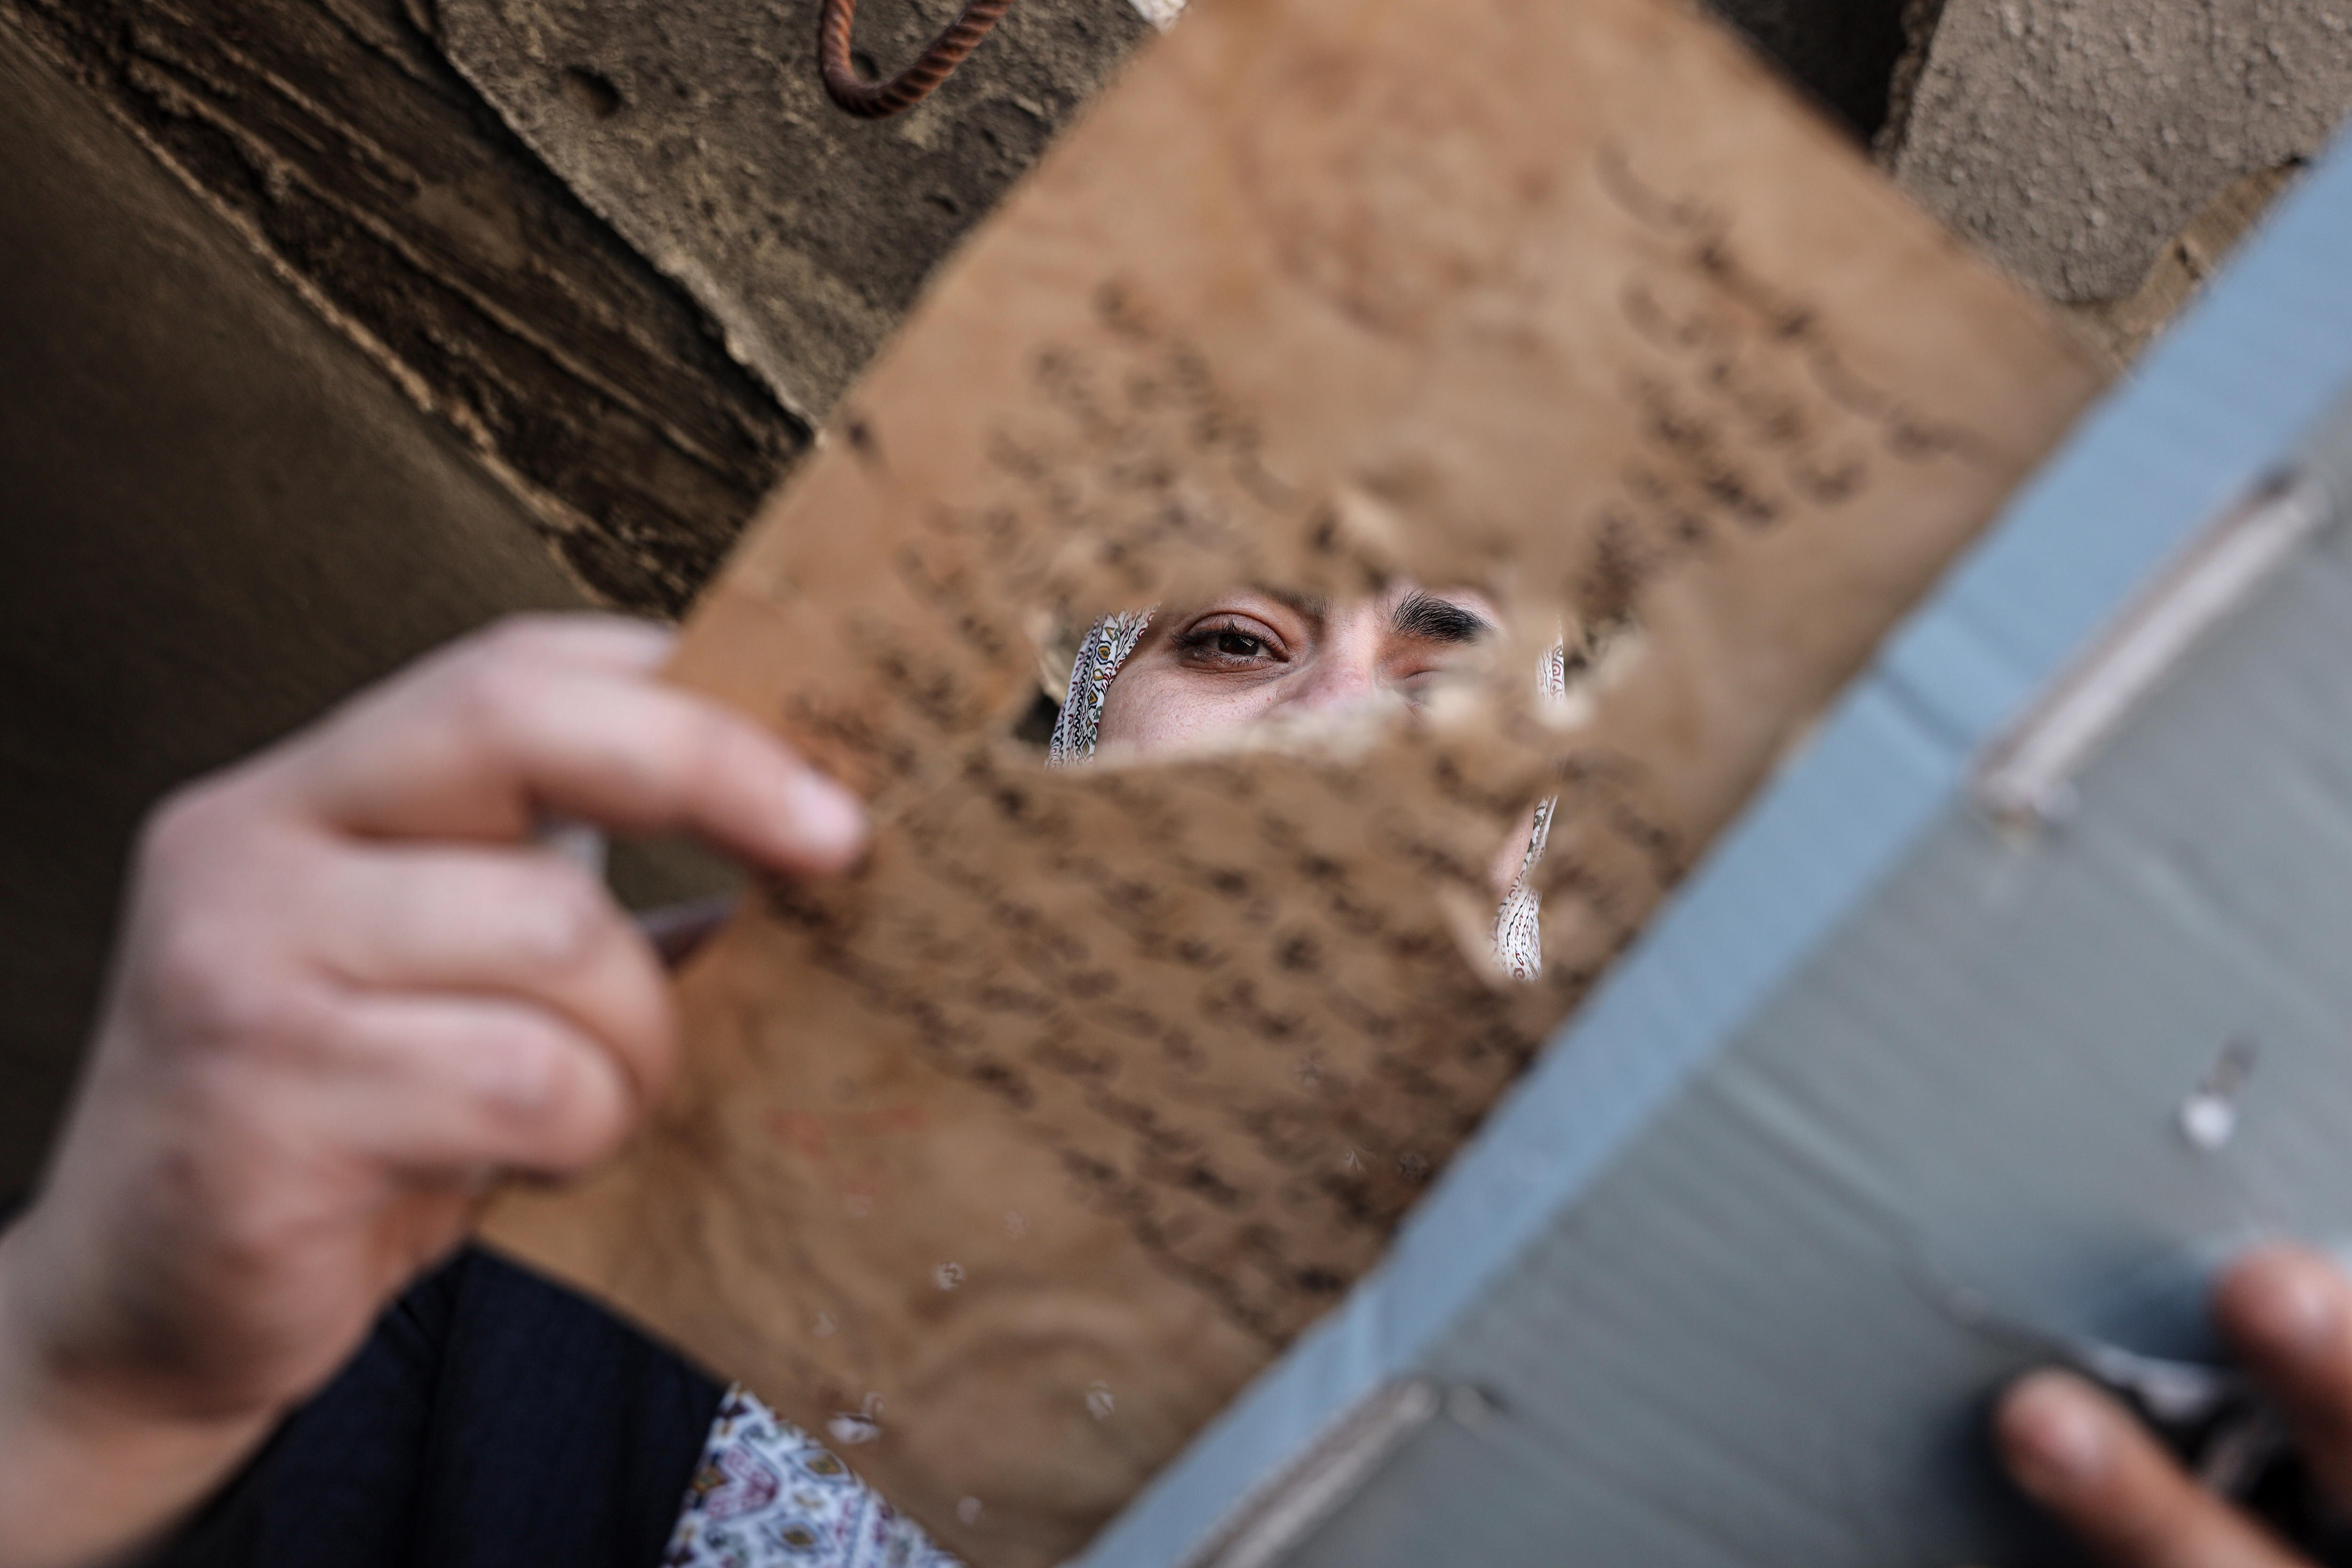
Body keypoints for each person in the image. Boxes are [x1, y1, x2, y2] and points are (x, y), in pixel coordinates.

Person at [3, 609, 2351, 1568]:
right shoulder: (536, 1226)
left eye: (1457, 665)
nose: (1345, 715)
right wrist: (82, 1367)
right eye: (1235, 645)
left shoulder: (1805, 1428)